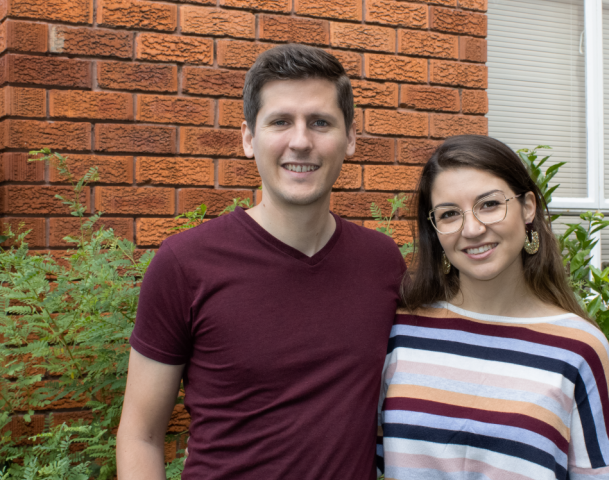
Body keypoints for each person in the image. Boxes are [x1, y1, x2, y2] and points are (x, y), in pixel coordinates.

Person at [116, 44, 405, 479]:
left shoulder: (382, 263)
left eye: (321, 122)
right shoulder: (184, 264)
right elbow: (141, 434)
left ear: (350, 138)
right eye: (280, 121)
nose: (301, 141)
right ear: (249, 138)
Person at [377, 135, 609, 479]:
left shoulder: (580, 348)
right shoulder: (401, 332)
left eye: (490, 204)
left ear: (528, 207)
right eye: (449, 214)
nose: (473, 229)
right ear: (435, 231)